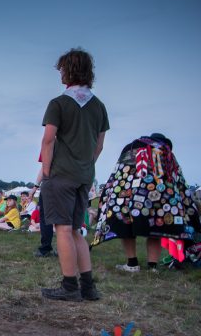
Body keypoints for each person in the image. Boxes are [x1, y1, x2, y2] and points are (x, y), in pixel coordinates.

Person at [40, 48, 109, 302]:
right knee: (78, 230)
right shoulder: (99, 106)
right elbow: (99, 146)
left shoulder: (59, 103)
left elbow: (48, 140)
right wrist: (85, 166)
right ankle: (88, 286)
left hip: (60, 174)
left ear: (68, 70)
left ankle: (69, 286)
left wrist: (47, 173)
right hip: (84, 175)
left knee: (63, 229)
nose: (59, 73)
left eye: (61, 69)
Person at [91, 133, 200, 272]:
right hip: (162, 198)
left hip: (129, 194)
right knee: (155, 227)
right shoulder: (167, 152)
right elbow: (178, 180)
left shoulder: (132, 148)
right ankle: (152, 267)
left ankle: (132, 264)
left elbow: (118, 175)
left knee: (126, 225)